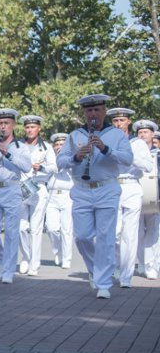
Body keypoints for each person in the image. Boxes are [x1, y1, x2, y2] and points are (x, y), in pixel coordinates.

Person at [56, 94, 133, 299]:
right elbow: (60, 162)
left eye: (96, 110)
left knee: (106, 237)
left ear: (104, 111)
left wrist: (105, 149)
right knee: (82, 237)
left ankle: (104, 283)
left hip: (107, 189)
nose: (92, 114)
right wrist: (76, 156)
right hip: (81, 189)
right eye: (89, 110)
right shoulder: (74, 135)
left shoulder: (116, 135)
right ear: (84, 113)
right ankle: (95, 270)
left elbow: (127, 160)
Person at [0, 109, 32, 285]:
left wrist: (8, 154)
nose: (3, 126)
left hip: (12, 189)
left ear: (13, 126)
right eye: (1, 123)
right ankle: (1, 262)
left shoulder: (21, 147)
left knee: (12, 232)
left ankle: (9, 270)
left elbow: (27, 167)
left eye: (6, 124)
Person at [106, 107, 153, 288]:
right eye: (115, 121)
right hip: (112, 186)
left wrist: (130, 157)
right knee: (115, 233)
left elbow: (148, 166)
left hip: (132, 185)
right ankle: (117, 265)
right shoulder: (107, 142)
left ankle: (126, 275)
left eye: (122, 121)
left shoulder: (137, 143)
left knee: (130, 234)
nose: (119, 124)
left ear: (128, 122)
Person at [18, 115, 56, 275]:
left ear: (39, 128)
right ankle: (25, 258)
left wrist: (41, 168)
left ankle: (34, 263)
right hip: (21, 188)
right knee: (20, 227)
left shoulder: (46, 147)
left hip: (39, 187)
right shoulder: (18, 145)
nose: (30, 130)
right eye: (27, 127)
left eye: (33, 127)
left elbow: (55, 167)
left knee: (36, 228)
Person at [134, 119, 159, 279]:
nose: (143, 135)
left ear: (152, 134)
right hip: (136, 196)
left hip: (155, 197)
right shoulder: (133, 152)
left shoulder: (158, 154)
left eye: (146, 132)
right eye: (140, 132)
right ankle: (142, 263)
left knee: (153, 232)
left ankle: (151, 265)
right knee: (137, 234)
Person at [45, 133, 74, 270]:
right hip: (51, 196)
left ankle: (67, 258)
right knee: (52, 228)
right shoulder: (50, 159)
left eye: (62, 144)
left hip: (67, 195)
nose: (59, 147)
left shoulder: (72, 159)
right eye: (57, 144)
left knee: (66, 229)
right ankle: (58, 251)